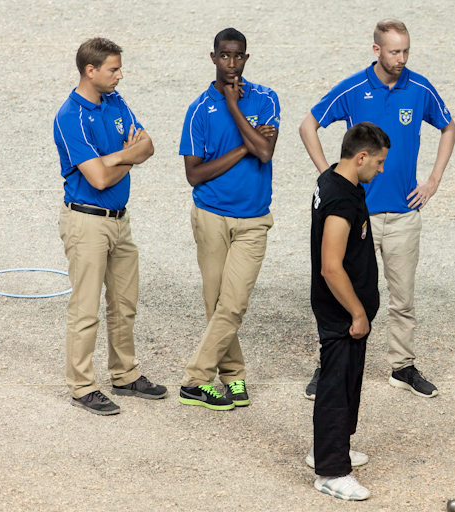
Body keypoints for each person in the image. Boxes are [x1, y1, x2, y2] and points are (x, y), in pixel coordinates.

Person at [299, 19, 455, 399]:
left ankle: (402, 367)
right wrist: (330, 176)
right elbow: (308, 125)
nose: (401, 59)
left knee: (403, 298)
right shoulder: (354, 88)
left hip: (403, 215)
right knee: (342, 291)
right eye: (394, 52)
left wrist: (433, 181)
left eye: (406, 51)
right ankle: (329, 365)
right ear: (377, 50)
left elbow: (448, 128)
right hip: (358, 217)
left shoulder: (420, 88)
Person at [54, 37, 166, 416]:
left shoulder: (116, 101)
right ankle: (82, 386)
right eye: (113, 69)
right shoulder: (70, 117)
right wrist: (128, 155)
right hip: (86, 223)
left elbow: (148, 145)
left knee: (124, 303)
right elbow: (98, 179)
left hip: (120, 221)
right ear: (91, 71)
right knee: (85, 309)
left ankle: (124, 374)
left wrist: (116, 158)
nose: (120, 76)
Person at [177, 28, 279, 411]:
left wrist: (235, 107)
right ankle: (233, 376)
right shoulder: (198, 110)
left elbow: (265, 152)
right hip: (210, 217)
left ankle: (195, 380)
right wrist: (243, 147)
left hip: (253, 220)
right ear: (213, 57)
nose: (231, 63)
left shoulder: (266, 99)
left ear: (246, 58)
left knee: (233, 304)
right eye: (224, 56)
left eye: (238, 56)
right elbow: (195, 174)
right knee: (216, 302)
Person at [309, 122, 389, 501]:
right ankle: (330, 471)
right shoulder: (341, 201)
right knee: (336, 387)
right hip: (341, 313)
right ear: (361, 157)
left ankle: (332, 446)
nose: (381, 169)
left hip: (346, 311)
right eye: (378, 162)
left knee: (347, 382)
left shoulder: (333, 179)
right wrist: (358, 313)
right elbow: (331, 266)